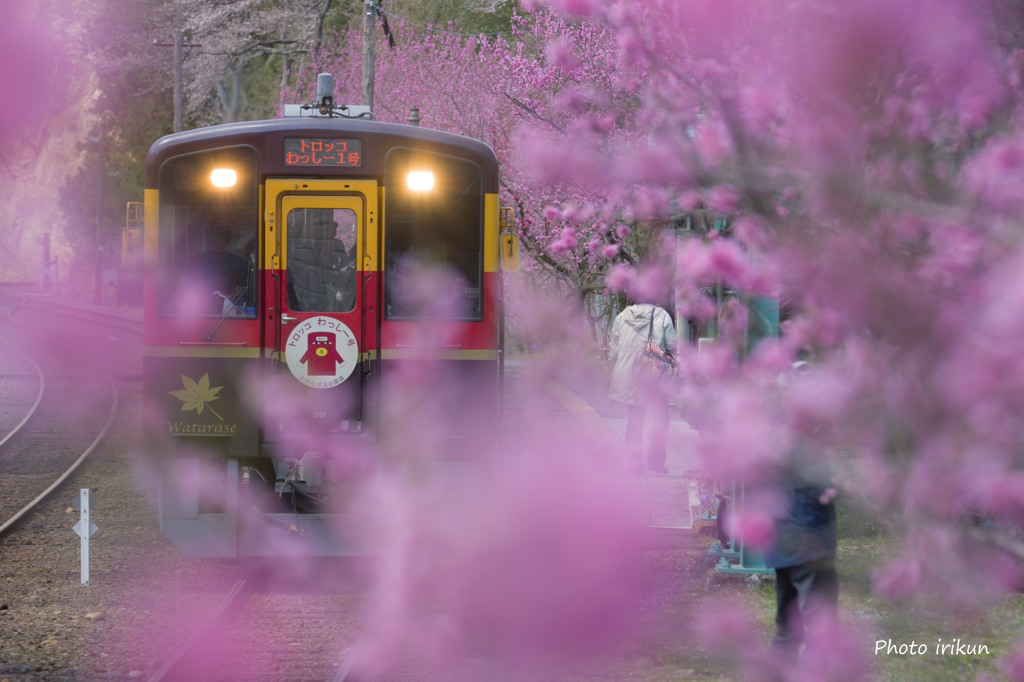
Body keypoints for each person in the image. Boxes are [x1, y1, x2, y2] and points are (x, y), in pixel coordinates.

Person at [764, 453, 839, 654]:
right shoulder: (808, 452)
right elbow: (827, 492)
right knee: (821, 627)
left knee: (787, 628)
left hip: (781, 547)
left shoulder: (775, 447)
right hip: (810, 549)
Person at [608, 301, 676, 473]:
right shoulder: (661, 315)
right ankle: (656, 463)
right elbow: (672, 346)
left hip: (632, 377)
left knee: (634, 421)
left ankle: (633, 463)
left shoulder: (622, 316)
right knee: (660, 421)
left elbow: (614, 349)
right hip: (655, 378)